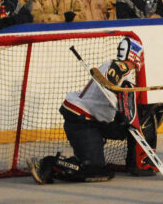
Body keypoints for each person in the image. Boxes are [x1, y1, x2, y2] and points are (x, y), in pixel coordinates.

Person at [42, 38, 145, 182]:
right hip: (82, 120)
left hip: (93, 122)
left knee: (120, 135)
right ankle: (50, 163)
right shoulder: (118, 67)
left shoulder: (122, 72)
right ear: (135, 55)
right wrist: (114, 89)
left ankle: (81, 161)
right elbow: (112, 79)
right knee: (97, 171)